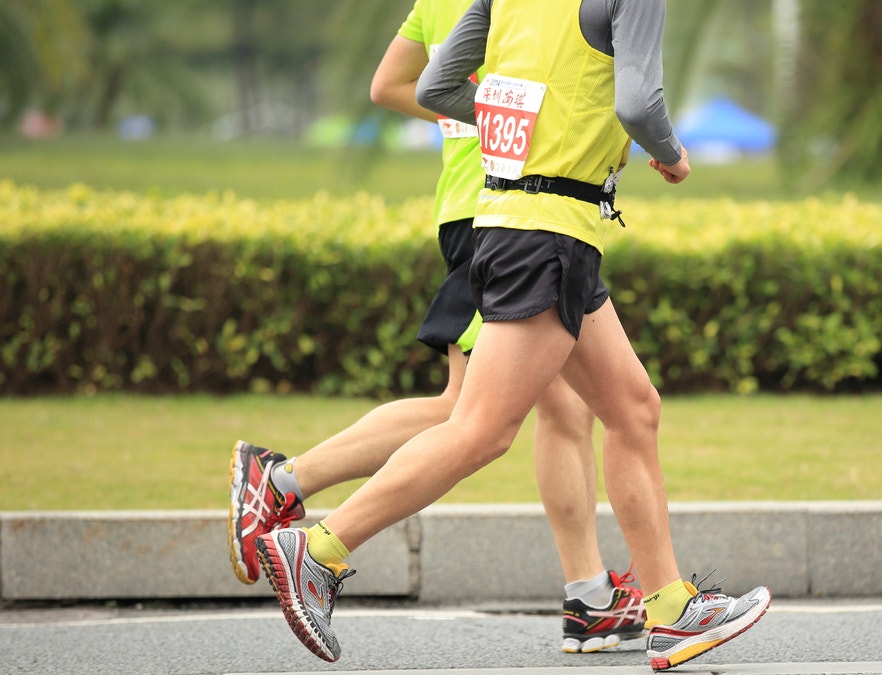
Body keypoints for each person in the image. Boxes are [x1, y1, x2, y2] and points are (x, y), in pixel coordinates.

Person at [252, 0, 771, 671]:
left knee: (633, 408)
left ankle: (668, 606)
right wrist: (670, 155)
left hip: (513, 219)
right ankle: (318, 550)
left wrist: (529, 131)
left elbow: (438, 87)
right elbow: (640, 104)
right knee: (480, 430)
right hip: (550, 233)